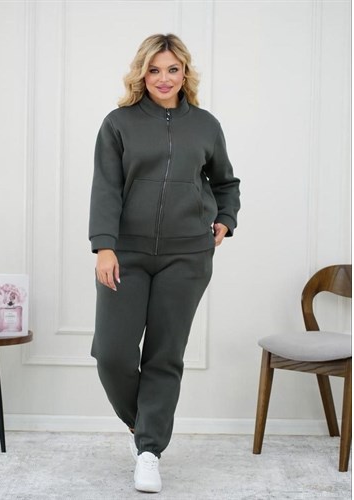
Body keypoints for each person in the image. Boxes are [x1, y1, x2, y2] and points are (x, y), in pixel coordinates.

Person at [89, 33, 241, 493]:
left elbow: (225, 181)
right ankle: (144, 426)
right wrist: (104, 246)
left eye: (172, 69)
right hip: (126, 254)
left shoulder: (206, 125)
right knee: (112, 353)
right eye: (154, 70)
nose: (163, 78)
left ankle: (149, 452)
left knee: (164, 354)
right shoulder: (118, 123)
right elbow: (106, 187)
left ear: (184, 73)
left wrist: (226, 219)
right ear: (141, 73)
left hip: (187, 254)